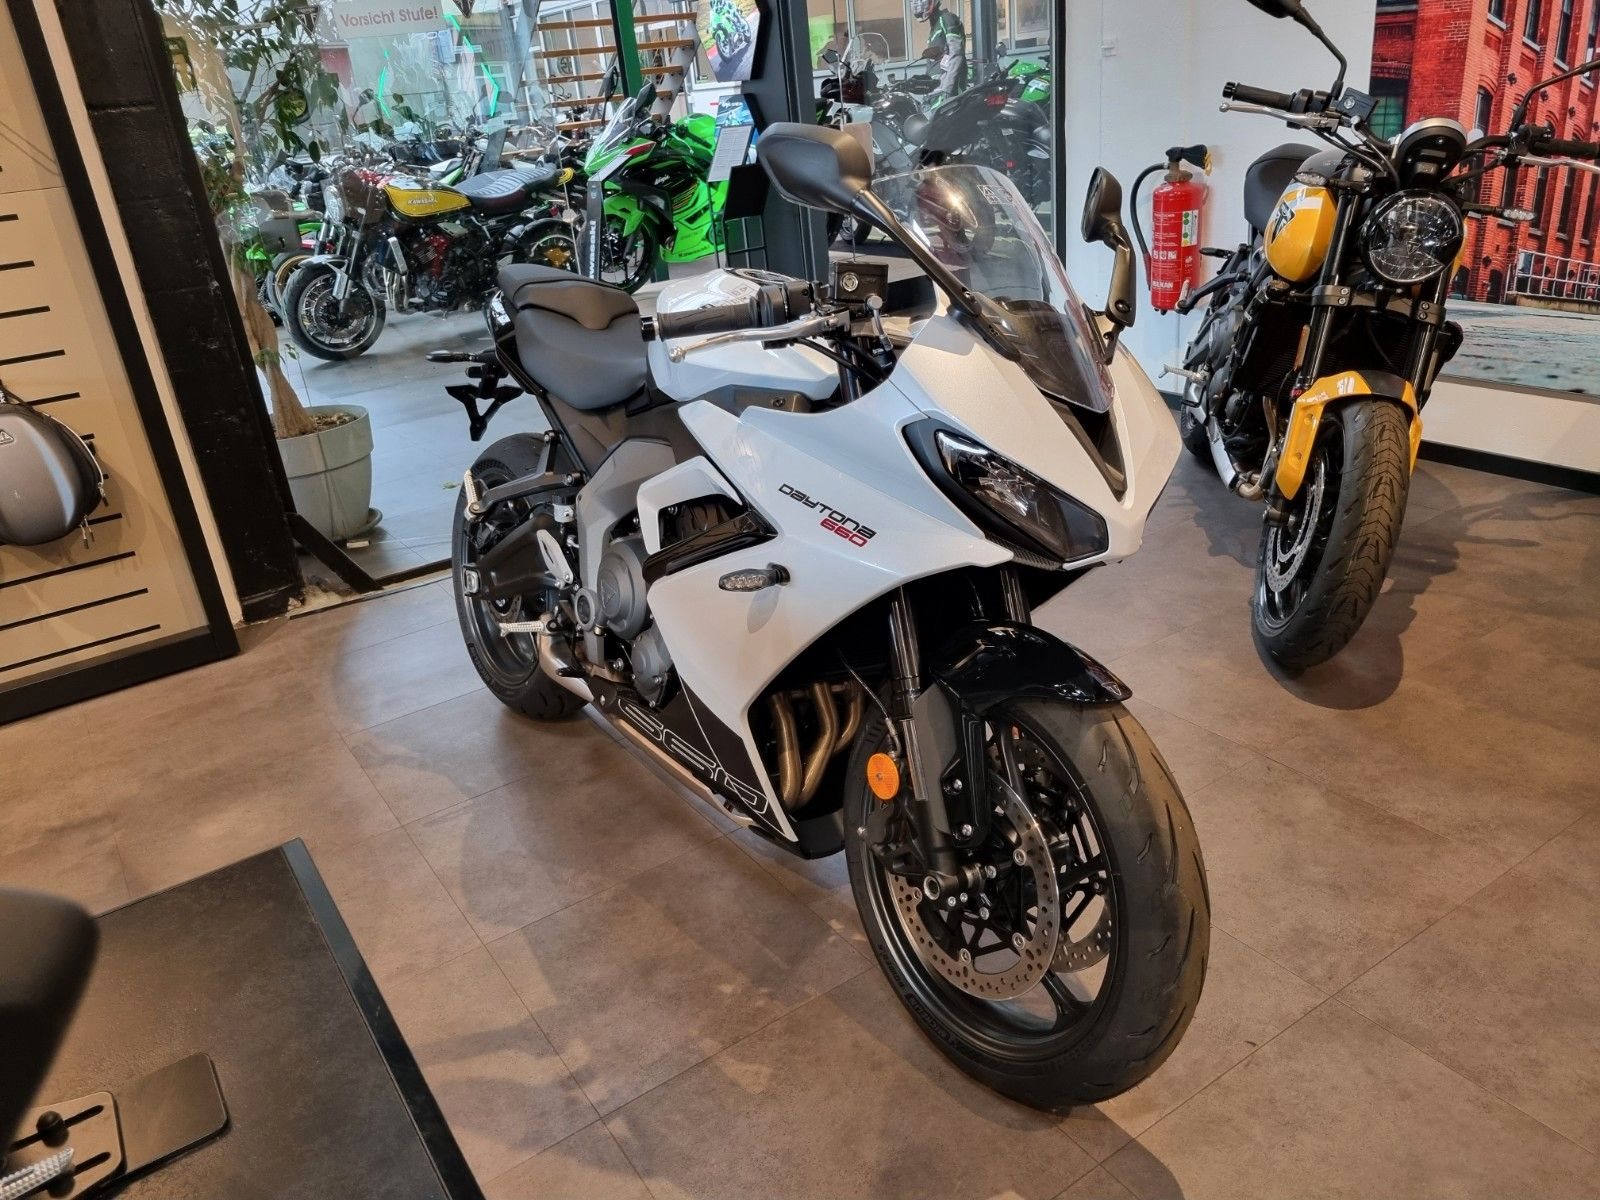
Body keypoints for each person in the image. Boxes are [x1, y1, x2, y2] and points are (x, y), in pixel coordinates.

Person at [913, 0, 968, 101]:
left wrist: (948, 89)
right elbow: (933, 64)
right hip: (936, 92)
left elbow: (956, 54)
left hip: (948, 92)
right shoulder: (934, 29)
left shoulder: (947, 19)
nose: (918, 4)